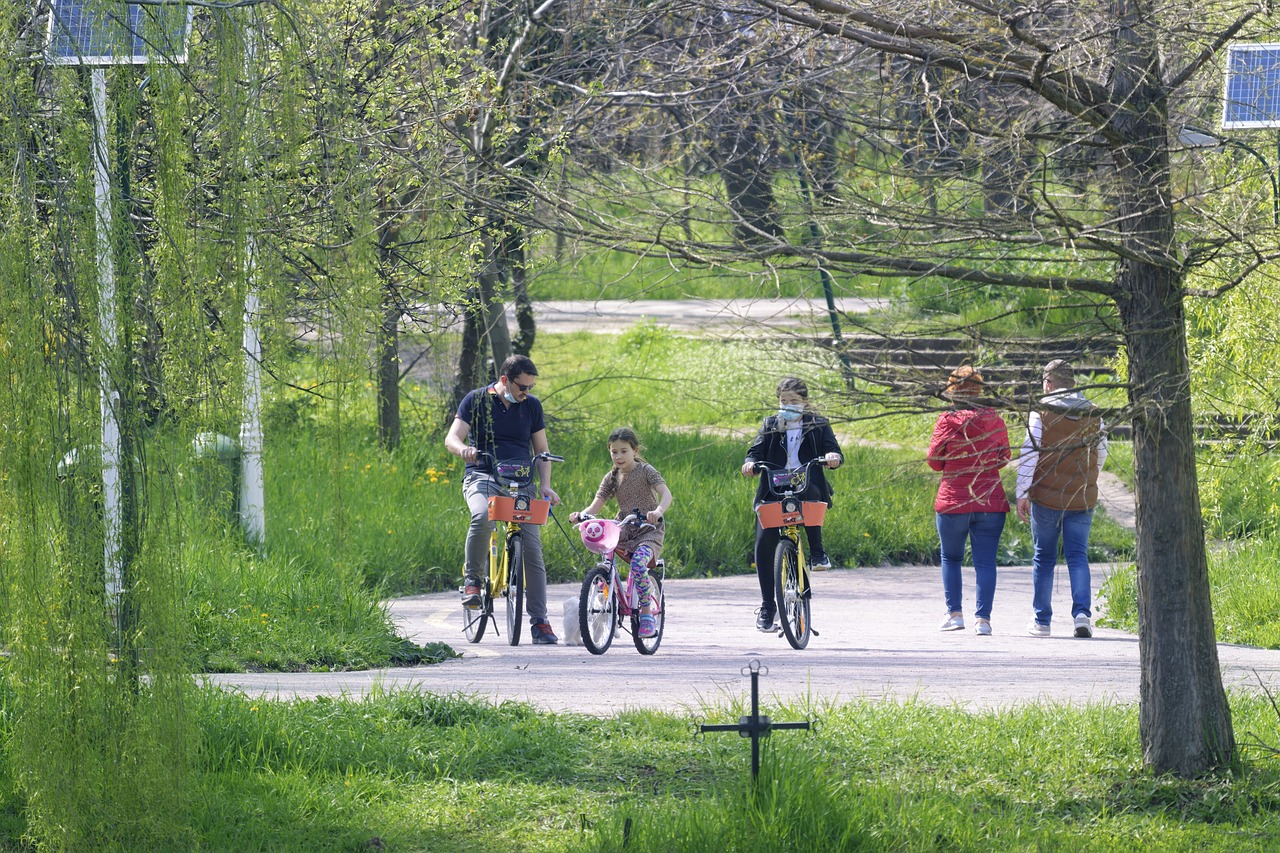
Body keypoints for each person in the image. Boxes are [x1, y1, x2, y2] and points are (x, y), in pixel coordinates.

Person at [445, 354, 562, 644]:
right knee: (483, 516)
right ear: (505, 380)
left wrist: (545, 486)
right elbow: (452, 439)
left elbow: (542, 451)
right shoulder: (476, 400)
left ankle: (539, 622)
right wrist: (464, 451)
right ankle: (473, 581)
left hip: (522, 481)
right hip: (483, 477)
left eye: (531, 387)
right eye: (523, 387)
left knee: (533, 550)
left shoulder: (531, 406)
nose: (527, 393)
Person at [741, 377, 843, 631]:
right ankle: (767, 606)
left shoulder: (817, 424)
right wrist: (751, 463)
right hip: (774, 487)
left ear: (805, 402)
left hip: (805, 481)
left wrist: (833, 457)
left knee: (809, 494)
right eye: (783, 401)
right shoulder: (771, 424)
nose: (787, 405)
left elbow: (835, 451)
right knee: (764, 541)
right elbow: (755, 451)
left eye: (794, 401)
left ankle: (818, 553)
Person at [1017, 359, 1108, 639]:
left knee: (1044, 557)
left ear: (1048, 384)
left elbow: (1029, 453)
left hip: (1046, 499)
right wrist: (1088, 478)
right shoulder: (1094, 413)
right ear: (1073, 383)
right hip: (1082, 498)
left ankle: (1042, 621)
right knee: (1077, 556)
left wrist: (1022, 492)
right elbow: (1101, 453)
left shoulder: (1041, 412)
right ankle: (1082, 615)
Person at [927, 365, 1011, 636]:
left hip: (953, 501)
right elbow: (1004, 457)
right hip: (990, 500)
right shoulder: (994, 419)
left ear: (952, 391)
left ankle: (954, 615)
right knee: (985, 562)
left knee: (951, 558)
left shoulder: (946, 421)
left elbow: (934, 461)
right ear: (979, 388)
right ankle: (983, 621)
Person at [569, 427, 673, 638]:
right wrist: (582, 515)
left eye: (623, 451)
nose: (618, 456)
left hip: (648, 530)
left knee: (637, 564)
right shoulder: (612, 477)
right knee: (604, 550)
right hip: (624, 527)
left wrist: (658, 511)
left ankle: (646, 614)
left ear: (634, 450)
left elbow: (666, 493)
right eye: (614, 452)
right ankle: (608, 598)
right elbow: (596, 505)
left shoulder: (646, 471)